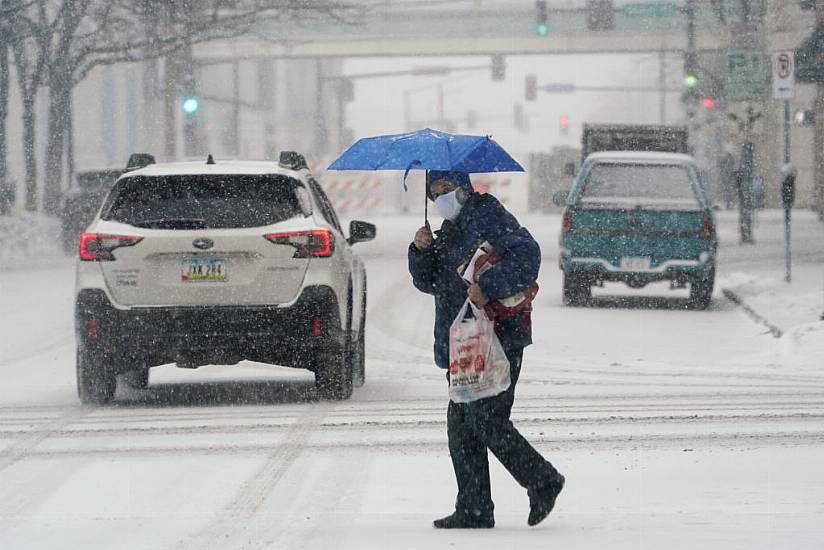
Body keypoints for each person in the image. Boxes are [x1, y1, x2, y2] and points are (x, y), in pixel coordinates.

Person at [408, 170, 565, 529]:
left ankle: (542, 480)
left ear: (464, 188)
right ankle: (474, 507)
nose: (441, 197)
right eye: (435, 192)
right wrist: (420, 251)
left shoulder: (488, 215)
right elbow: (430, 281)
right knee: (461, 426)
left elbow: (528, 256)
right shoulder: (447, 230)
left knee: (486, 420)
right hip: (463, 339)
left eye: (446, 189)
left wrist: (487, 285)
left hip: (498, 336)